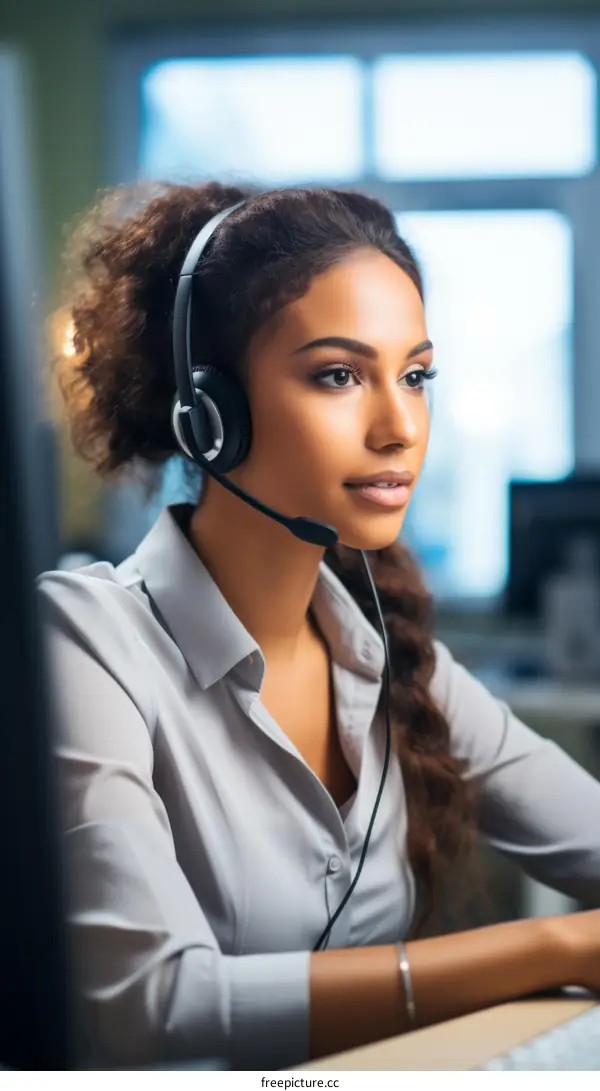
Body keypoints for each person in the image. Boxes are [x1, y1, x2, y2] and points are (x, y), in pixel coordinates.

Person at [38, 181, 600, 1071]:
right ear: (208, 414)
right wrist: (556, 948)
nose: (400, 426)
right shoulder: (82, 644)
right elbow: (149, 1002)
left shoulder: (391, 654)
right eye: (338, 375)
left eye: (415, 375)